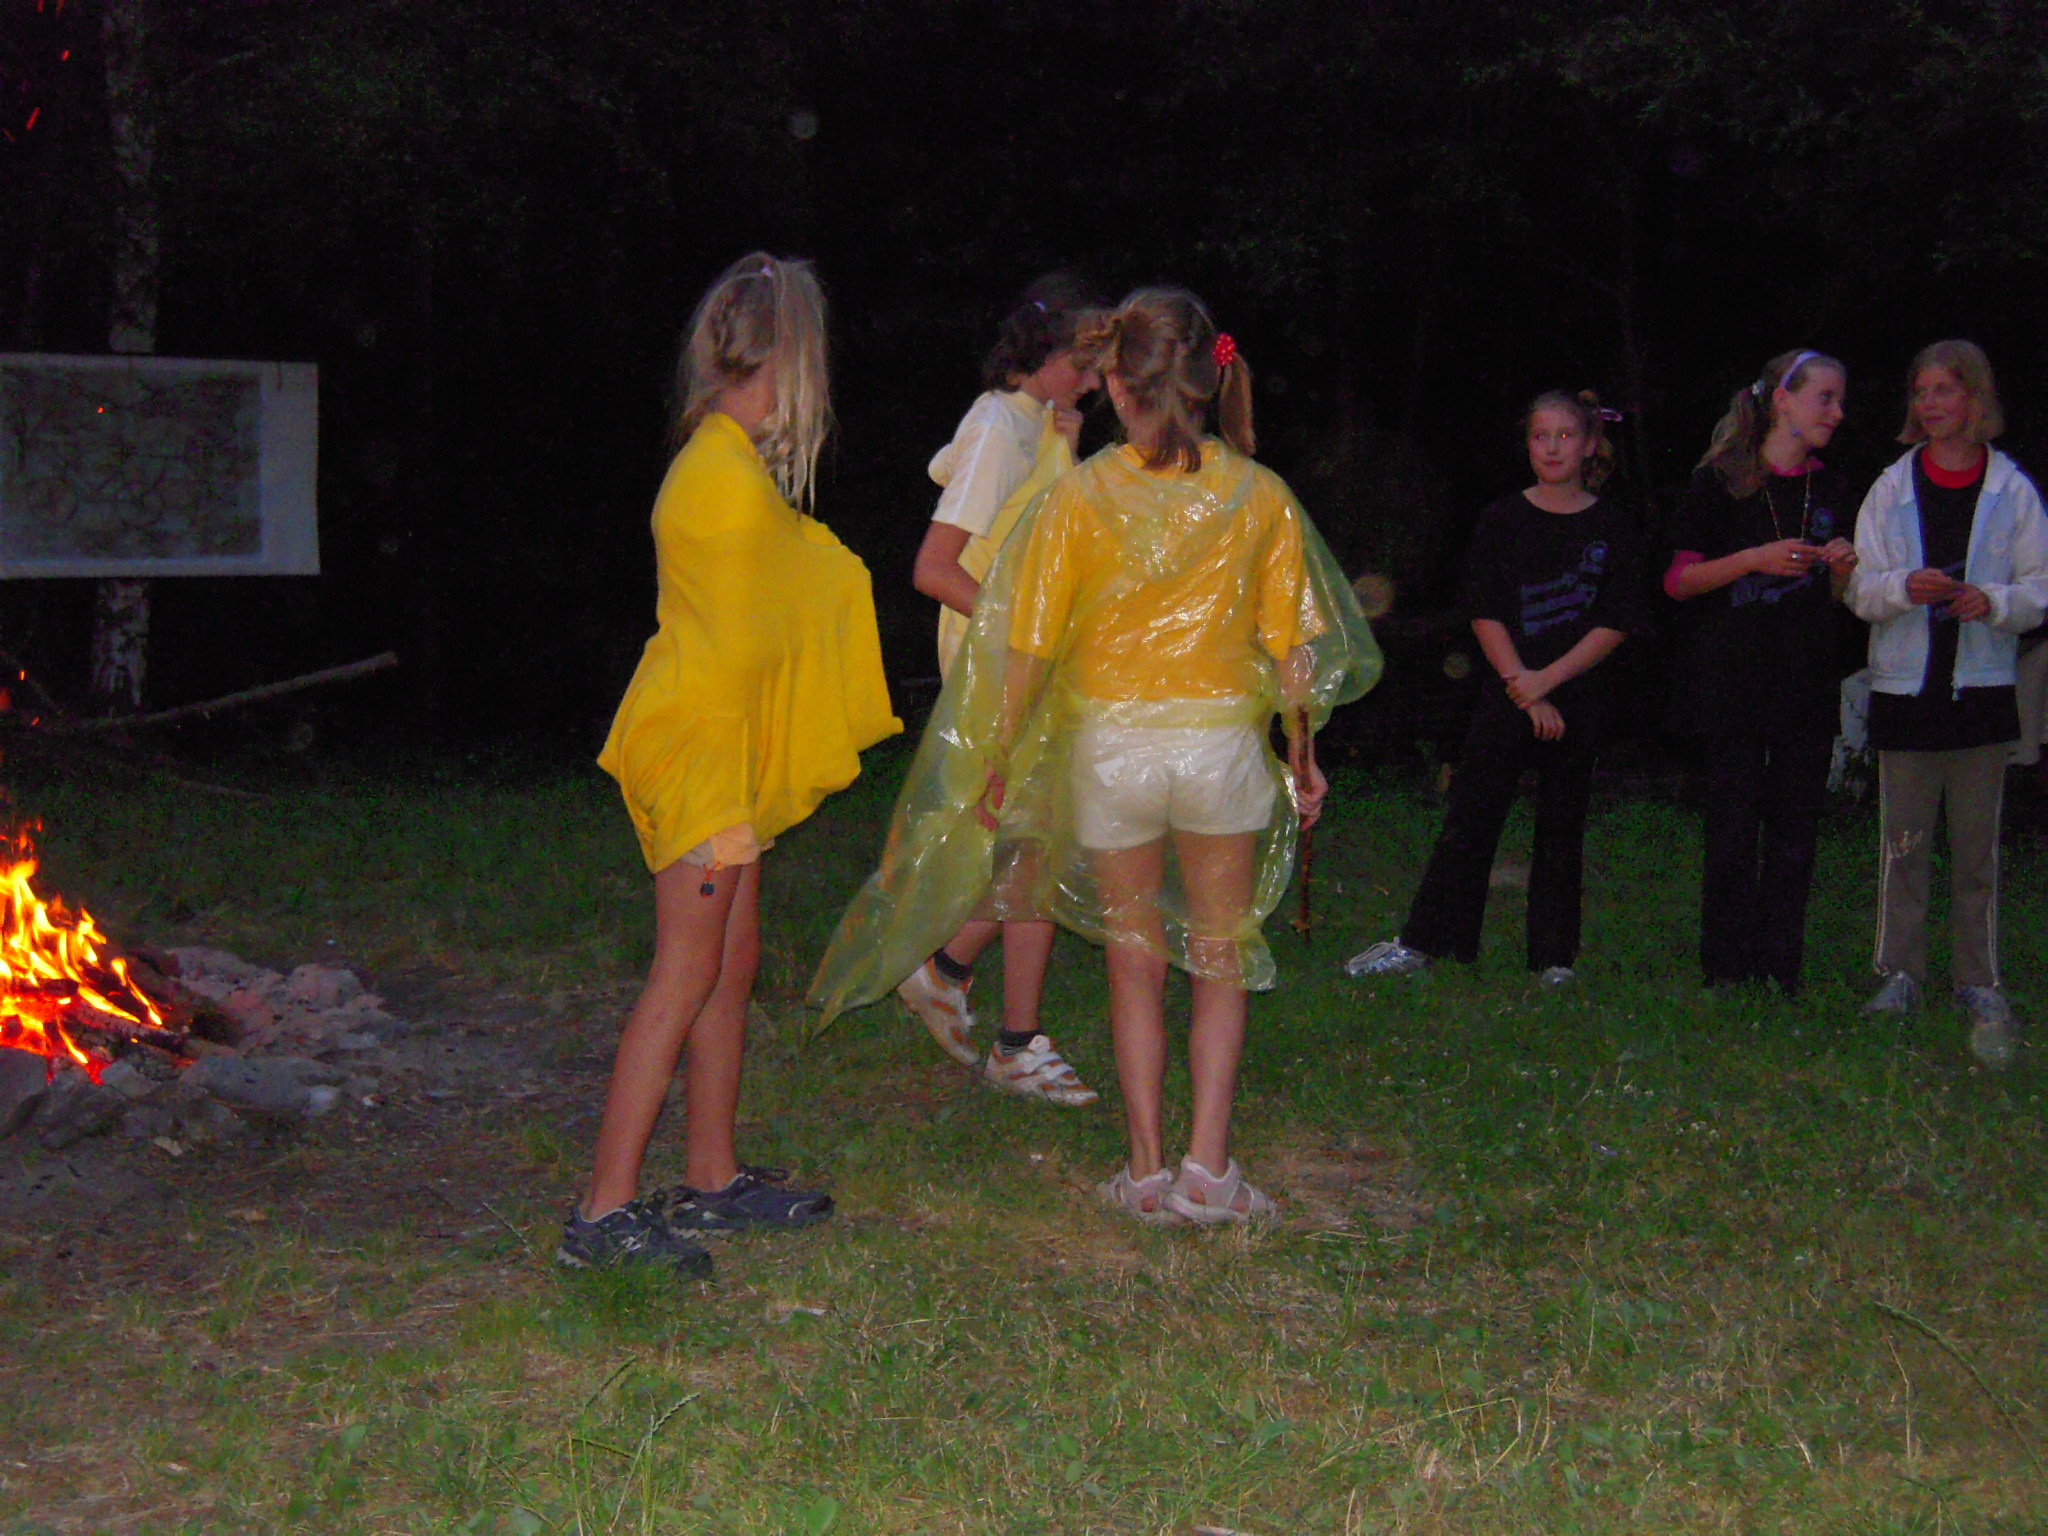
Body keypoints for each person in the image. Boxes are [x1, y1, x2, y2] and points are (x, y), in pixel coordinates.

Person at [810, 288, 1380, 1224]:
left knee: (1133, 962)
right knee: (1220, 960)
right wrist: (1301, 752)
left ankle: (1146, 1172)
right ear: (1207, 378)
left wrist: (1001, 759)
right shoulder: (1259, 494)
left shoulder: (1078, 496)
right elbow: (1295, 648)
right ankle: (1209, 1170)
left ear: (1116, 382)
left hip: (1113, 756)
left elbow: (1028, 646)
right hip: (1217, 755)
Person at [559, 253, 900, 1270]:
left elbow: (789, 587)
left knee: (731, 961)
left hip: (720, 746)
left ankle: (710, 1178)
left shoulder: (730, 463)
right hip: (699, 751)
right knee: (686, 968)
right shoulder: (715, 476)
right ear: (787, 362)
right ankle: (602, 1211)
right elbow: (792, 590)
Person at [1346, 391, 1646, 988]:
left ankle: (1553, 959)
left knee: (1561, 826)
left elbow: (1615, 621)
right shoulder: (1502, 519)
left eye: (1566, 436)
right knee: (1472, 818)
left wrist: (1548, 683)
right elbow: (1484, 612)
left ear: (1589, 445)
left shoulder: (1612, 526)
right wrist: (1523, 688)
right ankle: (1431, 941)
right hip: (1507, 693)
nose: (1553, 448)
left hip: (1575, 696)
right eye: (1541, 436)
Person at [894, 275, 1104, 1107]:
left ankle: (951, 976)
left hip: (1025, 655)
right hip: (997, 659)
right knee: (1037, 839)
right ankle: (1005, 1031)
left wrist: (1067, 442)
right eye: (1083, 365)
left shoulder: (1033, 423)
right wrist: (1021, 635)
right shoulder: (999, 430)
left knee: (1037, 839)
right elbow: (933, 569)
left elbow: (1047, 535)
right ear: (1042, 352)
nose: (1094, 381)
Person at [1846, 339, 2047, 1069]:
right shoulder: (1891, 487)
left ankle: (1978, 980)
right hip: (1907, 692)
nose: (1931, 404)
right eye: (1921, 391)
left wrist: (1989, 601)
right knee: (1902, 848)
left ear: (1975, 397)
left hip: (1982, 693)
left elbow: (2038, 590)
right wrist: (1905, 588)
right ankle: (1899, 974)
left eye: (1945, 390)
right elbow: (1861, 588)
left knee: (1975, 853)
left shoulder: (2012, 489)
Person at [1663, 350, 1859, 992]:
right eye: (1825, 398)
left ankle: (1780, 967)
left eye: (1839, 400)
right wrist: (1753, 558)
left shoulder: (1831, 487)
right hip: (1733, 680)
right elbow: (1678, 580)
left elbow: (1835, 600)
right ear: (1783, 400)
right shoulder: (1719, 481)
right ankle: (1725, 966)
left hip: (1806, 681)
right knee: (1733, 824)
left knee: (1796, 827)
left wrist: (1841, 571)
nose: (1837, 412)